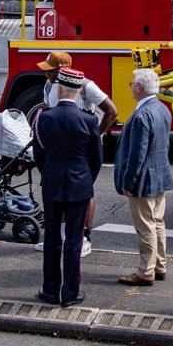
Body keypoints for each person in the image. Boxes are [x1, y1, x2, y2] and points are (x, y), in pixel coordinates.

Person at [35, 50, 118, 256]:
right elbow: (47, 109)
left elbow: (111, 111)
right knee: (61, 191)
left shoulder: (86, 86)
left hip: (81, 144)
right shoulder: (49, 85)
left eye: (51, 71)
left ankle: (85, 236)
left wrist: (96, 134)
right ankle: (63, 235)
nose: (47, 75)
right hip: (60, 143)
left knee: (85, 190)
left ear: (62, 70)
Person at [33, 67, 102, 308]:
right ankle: (70, 292)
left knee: (52, 238)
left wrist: (50, 174)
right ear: (79, 90)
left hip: (52, 183)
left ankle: (50, 289)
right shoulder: (88, 119)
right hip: (80, 185)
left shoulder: (43, 117)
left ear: (59, 88)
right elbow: (96, 159)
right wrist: (85, 180)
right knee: (74, 239)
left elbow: (38, 155)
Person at [114, 67, 173, 286]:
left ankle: (145, 271)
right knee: (157, 223)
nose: (130, 86)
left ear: (139, 87)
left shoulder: (141, 115)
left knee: (145, 227)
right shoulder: (162, 109)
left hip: (143, 180)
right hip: (159, 175)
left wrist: (127, 182)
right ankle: (160, 266)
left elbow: (136, 154)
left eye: (132, 83)